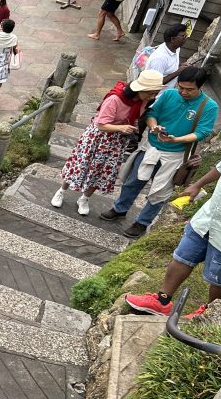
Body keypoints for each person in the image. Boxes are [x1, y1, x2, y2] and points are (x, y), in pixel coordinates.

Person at [101, 67, 218, 237]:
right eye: (181, 87)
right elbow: (151, 113)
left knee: (160, 192)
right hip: (152, 147)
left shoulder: (209, 106)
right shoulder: (169, 94)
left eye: (189, 89)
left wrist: (176, 139)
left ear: (200, 87)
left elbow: (202, 132)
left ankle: (142, 222)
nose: (183, 92)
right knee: (133, 180)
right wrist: (154, 126)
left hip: (176, 155)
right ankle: (120, 208)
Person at [51, 71, 164, 215]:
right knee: (80, 164)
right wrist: (121, 127)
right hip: (98, 138)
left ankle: (85, 198)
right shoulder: (115, 99)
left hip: (116, 141)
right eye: (150, 93)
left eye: (154, 93)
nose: (152, 97)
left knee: (103, 170)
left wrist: (130, 126)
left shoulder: (142, 101)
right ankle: (62, 190)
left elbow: (136, 116)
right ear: (140, 89)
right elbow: (101, 124)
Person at [123, 159, 221, 318]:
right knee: (182, 257)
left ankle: (210, 313)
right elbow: (219, 168)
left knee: (217, 278)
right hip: (207, 219)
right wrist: (197, 185)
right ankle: (162, 301)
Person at [145, 24, 191, 90]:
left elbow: (169, 65)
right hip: (156, 97)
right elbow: (155, 83)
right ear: (172, 39)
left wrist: (180, 65)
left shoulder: (176, 48)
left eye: (186, 35)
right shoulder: (160, 58)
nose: (186, 38)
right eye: (183, 36)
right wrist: (177, 72)